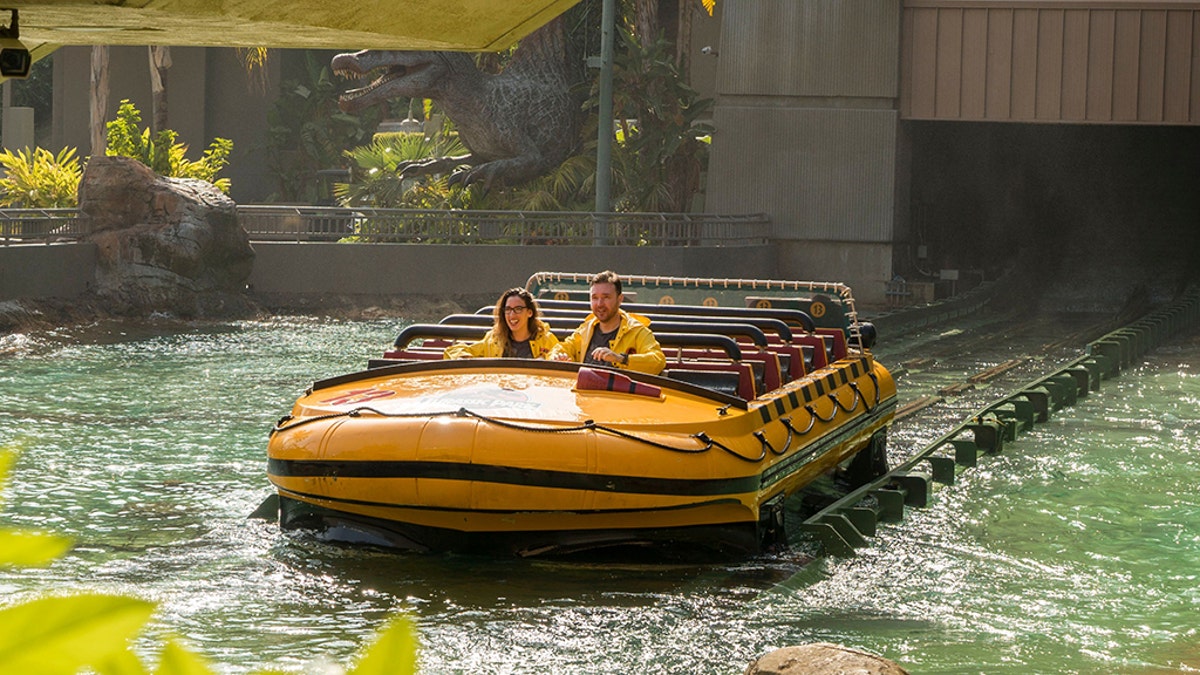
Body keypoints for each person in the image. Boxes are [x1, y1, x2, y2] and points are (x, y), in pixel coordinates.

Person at [550, 270, 665, 375]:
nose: (599, 304)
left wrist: (620, 359)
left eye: (606, 297)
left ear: (620, 299)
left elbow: (658, 361)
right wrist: (558, 356)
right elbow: (560, 348)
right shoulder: (585, 330)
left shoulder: (637, 331)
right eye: (595, 298)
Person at [443, 288, 560, 359]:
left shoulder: (546, 339)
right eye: (508, 309)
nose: (512, 315)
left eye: (518, 309)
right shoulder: (493, 340)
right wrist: (463, 357)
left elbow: (560, 355)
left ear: (530, 312)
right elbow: (453, 351)